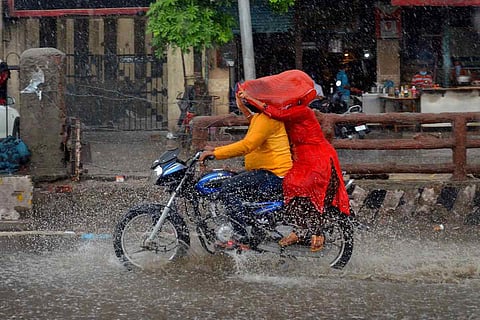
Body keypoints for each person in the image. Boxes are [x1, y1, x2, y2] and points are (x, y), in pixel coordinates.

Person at [237, 70, 351, 252]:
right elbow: (260, 118)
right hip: (304, 157)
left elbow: (275, 114)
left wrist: (252, 98)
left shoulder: (301, 111)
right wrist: (244, 104)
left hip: (317, 155)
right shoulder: (288, 110)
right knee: (290, 187)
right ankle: (299, 229)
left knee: (304, 187)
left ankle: (315, 231)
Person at [199, 90, 293, 249]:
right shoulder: (261, 118)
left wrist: (215, 153)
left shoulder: (267, 120)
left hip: (273, 174)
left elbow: (246, 145)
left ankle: (240, 236)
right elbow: (251, 118)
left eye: (251, 99)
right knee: (230, 179)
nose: (249, 101)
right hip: (264, 171)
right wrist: (240, 104)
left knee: (228, 187)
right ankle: (250, 227)